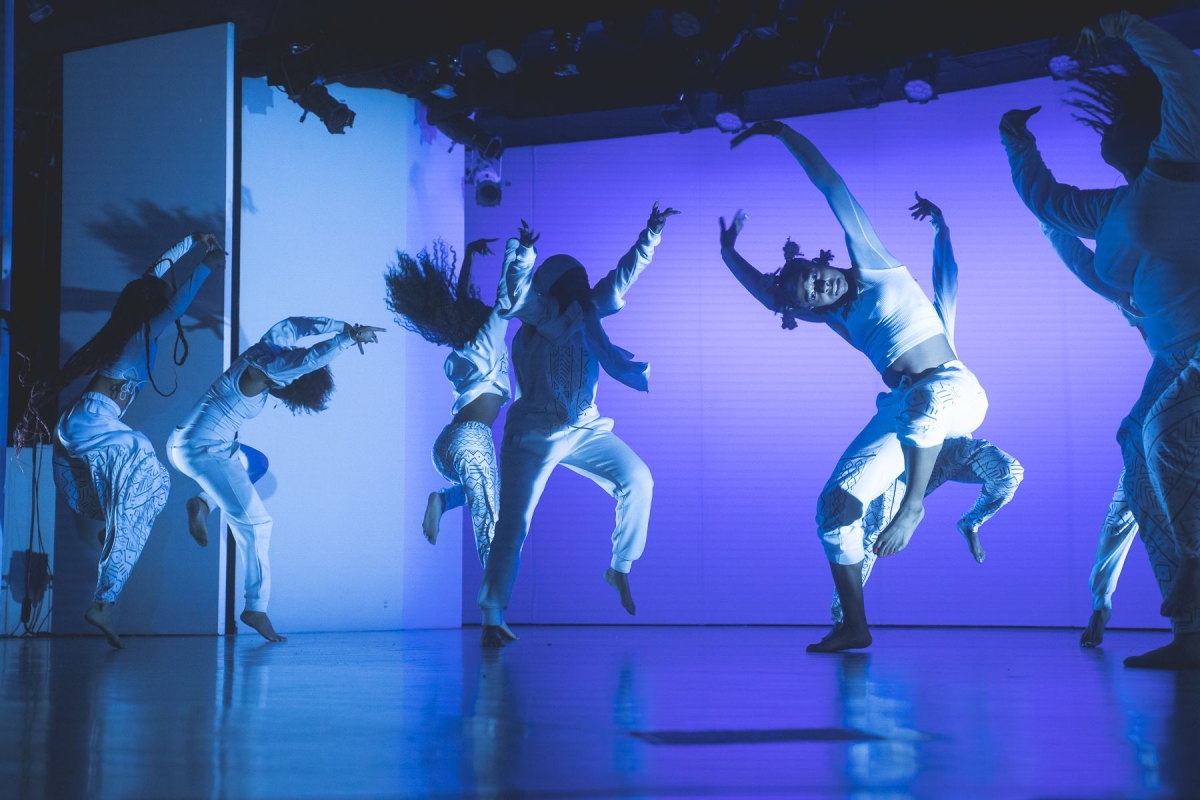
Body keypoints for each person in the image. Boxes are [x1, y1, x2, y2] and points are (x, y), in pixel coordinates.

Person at [724, 122, 989, 652]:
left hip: (955, 392)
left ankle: (912, 505)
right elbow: (770, 296)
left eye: (815, 276)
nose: (819, 287)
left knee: (922, 402)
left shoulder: (874, 264)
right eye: (810, 296)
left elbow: (831, 185)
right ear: (812, 308)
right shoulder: (835, 316)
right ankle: (854, 624)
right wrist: (729, 254)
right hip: (907, 409)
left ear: (821, 261)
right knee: (835, 509)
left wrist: (781, 131)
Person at [1000, 11, 1200, 669]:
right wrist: (1015, 142)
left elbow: (1180, 73)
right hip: (1173, 357)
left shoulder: (1179, 166)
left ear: (1153, 126)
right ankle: (1190, 629)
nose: (1104, 131)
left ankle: (1196, 566)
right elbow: (1051, 205)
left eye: (1117, 124)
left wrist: (1124, 23)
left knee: (1159, 438)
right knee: (1134, 445)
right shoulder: (1113, 209)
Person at [477, 205, 678, 648]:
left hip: (584, 428)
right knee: (513, 524)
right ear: (554, 289)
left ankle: (619, 567)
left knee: (638, 479)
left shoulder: (592, 310)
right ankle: (492, 614)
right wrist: (524, 252)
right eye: (576, 283)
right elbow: (512, 294)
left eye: (586, 282)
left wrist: (651, 234)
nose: (586, 289)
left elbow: (624, 275)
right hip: (532, 435)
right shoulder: (538, 314)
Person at [824, 192, 1025, 627]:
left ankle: (967, 523)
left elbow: (946, 280)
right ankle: (847, 620)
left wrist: (942, 229)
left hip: (951, 440)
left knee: (1008, 473)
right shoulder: (867, 324)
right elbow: (805, 307)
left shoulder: (937, 333)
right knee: (866, 526)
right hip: (909, 451)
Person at [16, 232, 223, 648]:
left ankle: (114, 533)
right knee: (147, 469)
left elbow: (155, 273)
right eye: (161, 298)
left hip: (81, 427)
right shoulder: (140, 334)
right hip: (91, 426)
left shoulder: (132, 328)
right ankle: (104, 601)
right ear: (153, 306)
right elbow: (176, 301)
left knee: (145, 486)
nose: (167, 299)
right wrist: (206, 264)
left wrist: (190, 242)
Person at [167, 316, 384, 642]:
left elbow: (295, 325)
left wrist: (339, 325)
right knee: (257, 524)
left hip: (186, 440)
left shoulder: (264, 348)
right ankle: (256, 607)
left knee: (255, 463)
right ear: (291, 382)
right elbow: (310, 360)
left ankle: (203, 503)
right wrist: (348, 338)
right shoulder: (274, 370)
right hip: (203, 449)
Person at [1039, 223, 1146, 648]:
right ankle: (1101, 603)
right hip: (1162, 421)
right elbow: (1086, 268)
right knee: (1121, 515)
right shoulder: (1138, 299)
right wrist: (1048, 218)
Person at [384, 237, 508, 567]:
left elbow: (462, 298)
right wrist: (519, 251)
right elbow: (506, 297)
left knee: (489, 492)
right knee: (490, 527)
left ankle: (441, 499)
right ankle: (493, 610)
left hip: (447, 445)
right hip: (470, 439)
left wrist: (468, 255)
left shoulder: (464, 350)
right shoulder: (487, 341)